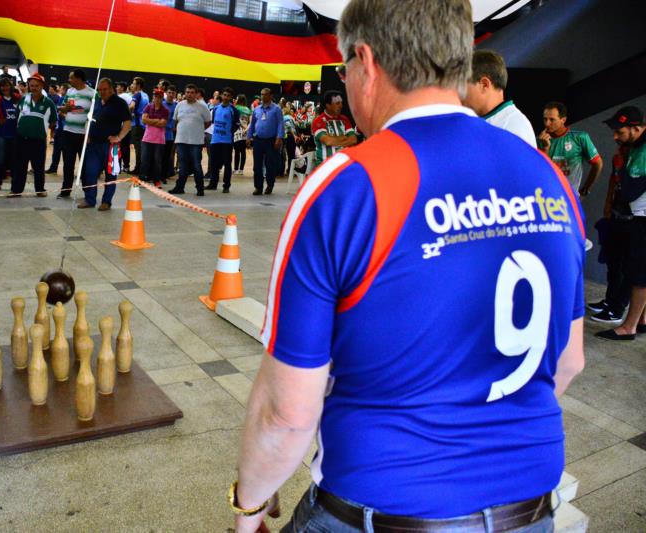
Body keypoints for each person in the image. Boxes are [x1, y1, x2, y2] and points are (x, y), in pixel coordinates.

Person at [232, 1, 585, 532]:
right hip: (530, 511)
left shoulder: (346, 187)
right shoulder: (547, 175)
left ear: (367, 64)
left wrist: (249, 505)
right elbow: (570, 361)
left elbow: (287, 413)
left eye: (344, 67)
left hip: (382, 508)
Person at [595, 106, 646, 341]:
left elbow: (629, 191)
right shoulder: (635, 148)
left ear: (636, 128)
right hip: (638, 216)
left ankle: (629, 327)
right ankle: (642, 320)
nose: (615, 136)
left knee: (638, 275)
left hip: (643, 218)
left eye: (620, 132)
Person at [463, 50, 537, 147]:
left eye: (463, 87)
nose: (460, 94)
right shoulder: (480, 120)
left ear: (484, 84)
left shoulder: (514, 127)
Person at [77, 78, 131, 211]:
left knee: (111, 175)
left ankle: (106, 201)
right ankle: (90, 199)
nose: (102, 92)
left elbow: (128, 124)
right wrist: (87, 134)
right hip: (93, 145)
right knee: (90, 173)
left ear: (111, 89)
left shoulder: (120, 103)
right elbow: (89, 119)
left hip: (110, 146)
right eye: (100, 90)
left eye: (105, 89)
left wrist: (119, 137)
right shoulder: (96, 102)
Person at [538, 101, 603, 196]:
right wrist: (545, 149)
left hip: (570, 199)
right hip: (547, 197)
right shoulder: (539, 140)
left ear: (563, 120)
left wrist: (586, 189)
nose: (547, 123)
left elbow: (598, 164)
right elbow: (541, 173)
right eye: (545, 119)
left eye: (552, 120)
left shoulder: (580, 138)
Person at [9, 73, 56, 198]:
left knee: (39, 167)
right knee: (19, 166)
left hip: (38, 141)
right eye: (32, 85)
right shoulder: (23, 99)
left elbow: (53, 122)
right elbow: (17, 117)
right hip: (21, 139)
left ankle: (40, 189)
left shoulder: (49, 103)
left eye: (36, 85)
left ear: (42, 86)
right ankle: (16, 190)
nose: (33, 88)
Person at [58, 69, 95, 198]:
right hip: (68, 133)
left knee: (85, 165)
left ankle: (88, 192)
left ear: (79, 79)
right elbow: (62, 109)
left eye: (71, 78)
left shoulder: (92, 93)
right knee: (68, 164)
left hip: (84, 135)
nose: (69, 80)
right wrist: (64, 111)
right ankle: (65, 190)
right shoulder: (70, 91)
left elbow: (96, 113)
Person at [169, 84, 211, 196]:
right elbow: (176, 121)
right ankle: (179, 187)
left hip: (196, 142)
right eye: (187, 92)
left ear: (196, 94)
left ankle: (200, 189)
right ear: (184, 93)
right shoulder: (179, 105)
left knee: (197, 165)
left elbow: (208, 122)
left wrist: (197, 130)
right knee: (182, 166)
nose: (189, 94)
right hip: (181, 141)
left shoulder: (202, 107)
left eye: (192, 92)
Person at [246, 88, 284, 195]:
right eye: (261, 94)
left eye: (265, 94)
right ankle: (258, 187)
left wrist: (279, 138)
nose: (262, 97)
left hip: (271, 140)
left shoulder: (276, 109)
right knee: (257, 165)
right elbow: (252, 124)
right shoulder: (257, 109)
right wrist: (248, 137)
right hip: (258, 140)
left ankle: (270, 185)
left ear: (270, 96)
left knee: (270, 165)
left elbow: (281, 124)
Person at [205, 88, 240, 193]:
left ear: (231, 98)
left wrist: (229, 132)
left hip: (226, 141)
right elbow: (213, 122)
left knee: (227, 164)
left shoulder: (233, 110)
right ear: (222, 96)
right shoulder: (215, 109)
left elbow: (236, 125)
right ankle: (213, 184)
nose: (225, 97)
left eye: (228, 95)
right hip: (215, 140)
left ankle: (226, 186)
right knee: (213, 163)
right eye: (224, 95)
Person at [312, 90, 357, 169]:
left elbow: (353, 140)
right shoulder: (318, 121)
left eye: (341, 103)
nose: (340, 106)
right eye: (337, 103)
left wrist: (333, 139)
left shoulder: (345, 119)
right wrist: (343, 138)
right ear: (328, 105)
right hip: (324, 165)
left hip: (344, 164)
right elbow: (328, 141)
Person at [139, 88, 169, 188]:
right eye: (155, 96)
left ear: (162, 98)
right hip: (147, 138)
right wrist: (157, 120)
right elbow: (143, 120)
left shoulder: (165, 110)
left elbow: (163, 123)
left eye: (159, 97)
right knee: (144, 160)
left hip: (159, 140)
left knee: (157, 162)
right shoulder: (148, 106)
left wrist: (150, 120)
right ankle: (142, 179)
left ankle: (157, 180)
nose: (157, 98)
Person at [0, 77, 19, 189]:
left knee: (15, 161)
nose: (5, 87)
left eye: (7, 85)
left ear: (11, 86)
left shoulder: (17, 99)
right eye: (3, 85)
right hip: (1, 134)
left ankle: (15, 185)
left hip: (15, 134)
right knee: (0, 160)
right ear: (0, 87)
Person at [129, 77, 149, 175]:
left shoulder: (137, 95)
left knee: (138, 147)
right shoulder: (146, 95)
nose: (132, 85)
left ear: (138, 85)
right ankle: (141, 167)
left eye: (133, 83)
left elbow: (132, 106)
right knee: (142, 147)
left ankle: (138, 168)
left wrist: (127, 113)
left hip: (136, 124)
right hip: (144, 124)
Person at [46, 83, 68, 174]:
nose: (60, 90)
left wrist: (62, 113)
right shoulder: (61, 99)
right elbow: (58, 110)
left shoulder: (68, 100)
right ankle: (53, 167)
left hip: (66, 129)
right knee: (56, 149)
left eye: (62, 89)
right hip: (59, 127)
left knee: (66, 152)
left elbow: (66, 113)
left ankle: (67, 170)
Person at [162, 85, 179, 182]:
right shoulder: (161, 104)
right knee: (158, 156)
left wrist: (175, 127)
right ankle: (156, 175)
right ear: (166, 93)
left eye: (173, 93)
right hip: (159, 134)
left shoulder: (177, 105)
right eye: (169, 92)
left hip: (170, 135)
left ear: (175, 94)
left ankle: (164, 175)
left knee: (167, 156)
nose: (171, 94)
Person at [115, 81, 133, 172]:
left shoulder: (122, 96)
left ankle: (118, 165)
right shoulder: (129, 97)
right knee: (125, 147)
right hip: (126, 126)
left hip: (121, 126)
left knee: (120, 146)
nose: (116, 88)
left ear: (122, 88)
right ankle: (125, 166)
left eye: (118, 86)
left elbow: (131, 107)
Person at [233, 94, 252, 175]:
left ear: (239, 100)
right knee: (243, 151)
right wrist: (246, 129)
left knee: (237, 151)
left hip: (237, 131)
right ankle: (241, 170)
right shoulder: (248, 110)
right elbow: (251, 122)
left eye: (237, 98)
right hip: (246, 132)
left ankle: (236, 169)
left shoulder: (236, 108)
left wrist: (243, 127)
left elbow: (237, 120)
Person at [282, 105, 298, 176]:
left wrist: (293, 135)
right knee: (292, 155)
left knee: (288, 155)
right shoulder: (292, 118)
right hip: (293, 137)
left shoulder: (285, 117)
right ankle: (291, 170)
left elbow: (288, 126)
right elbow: (296, 126)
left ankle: (289, 171)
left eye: (283, 111)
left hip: (288, 137)